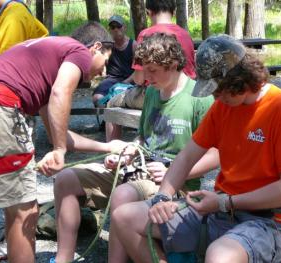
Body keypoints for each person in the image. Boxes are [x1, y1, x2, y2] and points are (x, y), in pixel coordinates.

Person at [112, 34, 281, 263]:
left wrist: (225, 202)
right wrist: (162, 197)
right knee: (124, 218)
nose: (215, 97)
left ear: (240, 80)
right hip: (219, 211)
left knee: (219, 255)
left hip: (266, 222)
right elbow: (186, 157)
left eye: (218, 90)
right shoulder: (222, 107)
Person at [53, 33, 215, 263]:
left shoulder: (199, 98)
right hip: (138, 168)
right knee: (66, 179)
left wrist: (174, 172)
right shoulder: (151, 92)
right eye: (144, 69)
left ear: (174, 64)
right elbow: (144, 136)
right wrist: (129, 150)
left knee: (123, 193)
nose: (146, 77)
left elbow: (216, 154)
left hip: (173, 184)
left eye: (152, 70)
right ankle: (63, 259)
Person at [0, 22, 120, 263]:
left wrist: (107, 147)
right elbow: (61, 93)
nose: (103, 72)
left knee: (15, 207)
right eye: (106, 61)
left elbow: (60, 134)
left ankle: (14, 252)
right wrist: (58, 151)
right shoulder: (78, 51)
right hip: (0, 109)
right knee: (26, 213)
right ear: (96, 47)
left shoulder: (43, 62)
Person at [106, 0, 196, 141]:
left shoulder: (147, 35)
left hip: (157, 93)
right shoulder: (185, 34)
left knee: (111, 103)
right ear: (173, 12)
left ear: (148, 12)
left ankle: (112, 151)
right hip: (188, 91)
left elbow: (139, 79)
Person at [92, 15, 137, 107]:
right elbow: (100, 64)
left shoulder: (133, 45)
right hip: (111, 79)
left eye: (118, 26)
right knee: (97, 97)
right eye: (113, 27)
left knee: (122, 98)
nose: (116, 29)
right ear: (110, 29)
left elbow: (138, 70)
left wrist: (125, 82)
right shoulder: (107, 45)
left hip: (129, 80)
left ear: (124, 27)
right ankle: (107, 118)